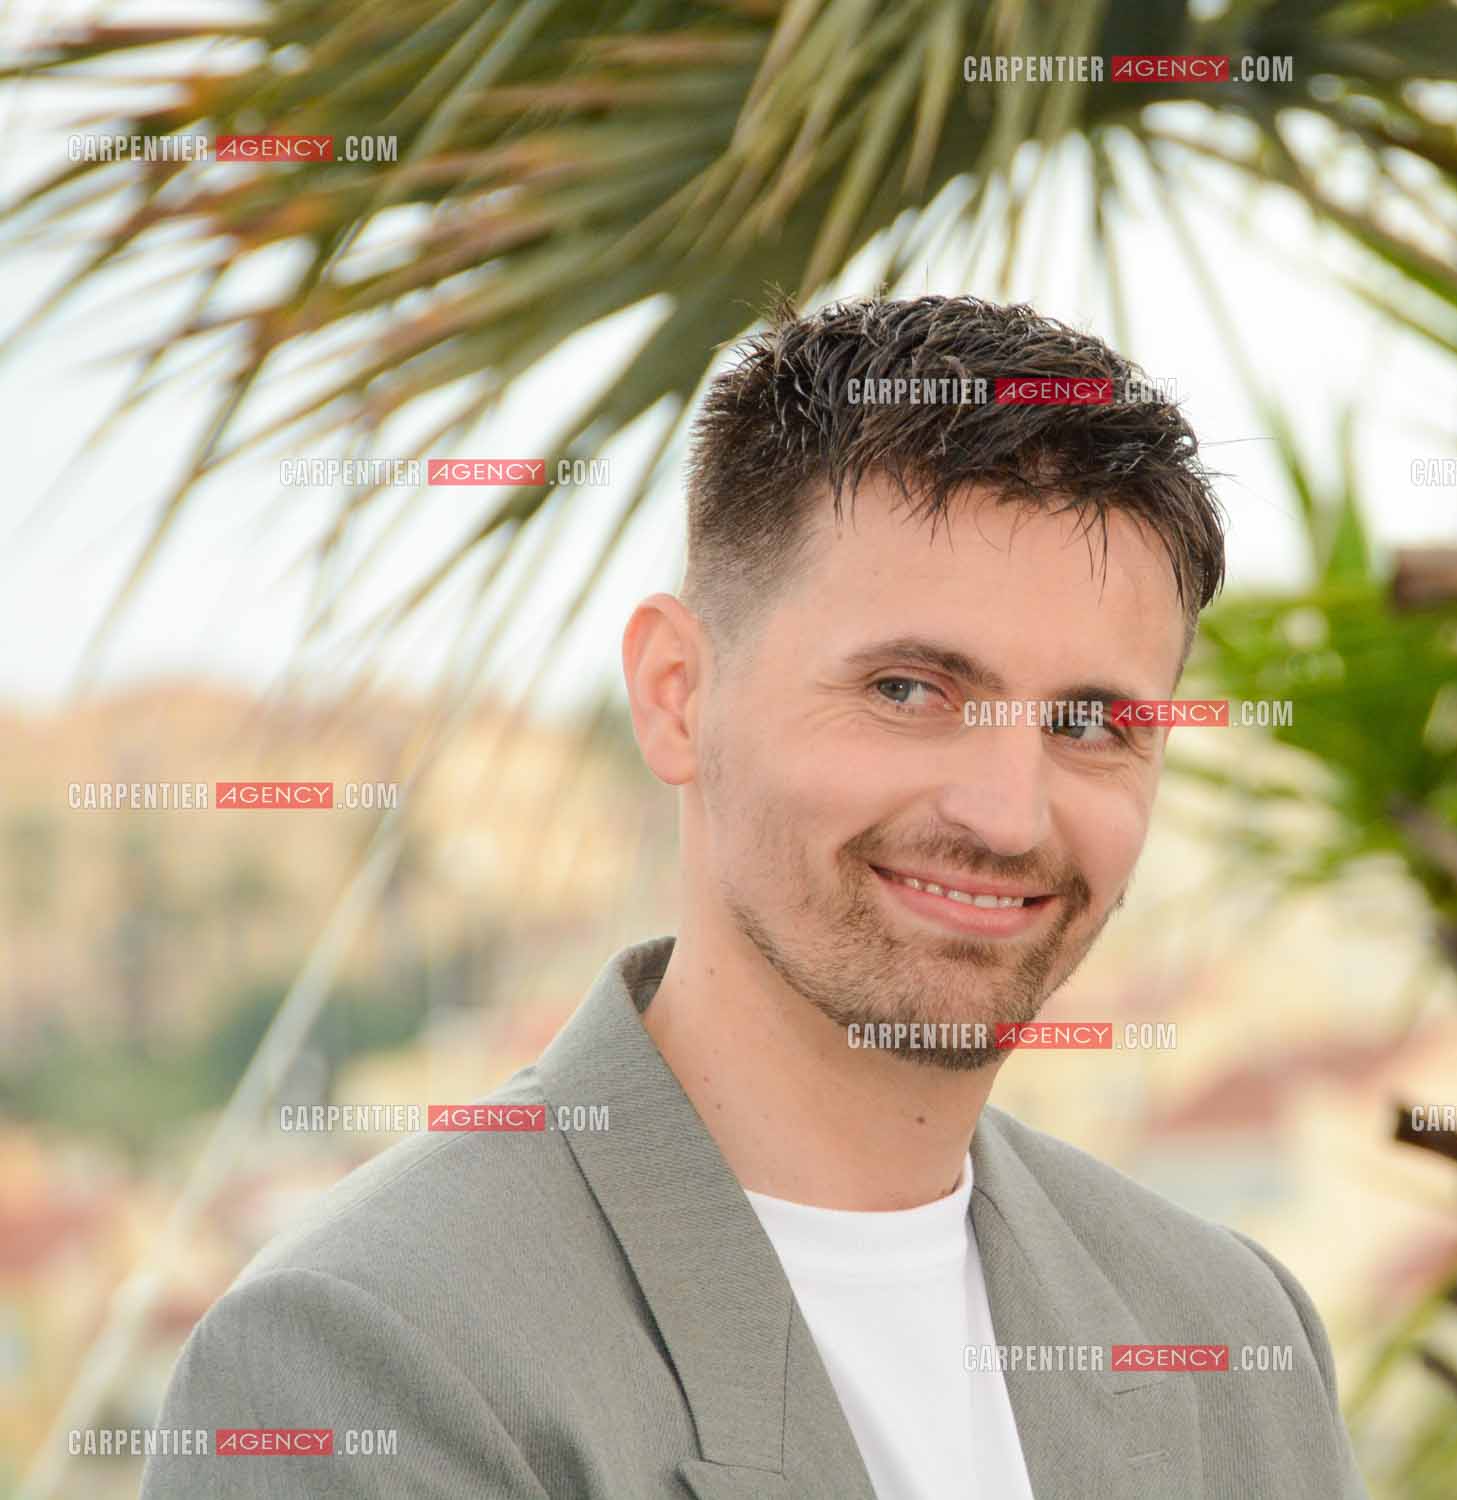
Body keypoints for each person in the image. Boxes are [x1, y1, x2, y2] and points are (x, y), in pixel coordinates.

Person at [142, 294, 1372, 1498]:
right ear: (678, 693)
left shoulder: (1232, 1336)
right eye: (908, 690)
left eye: (1091, 721)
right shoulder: (365, 1364)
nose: (1008, 813)